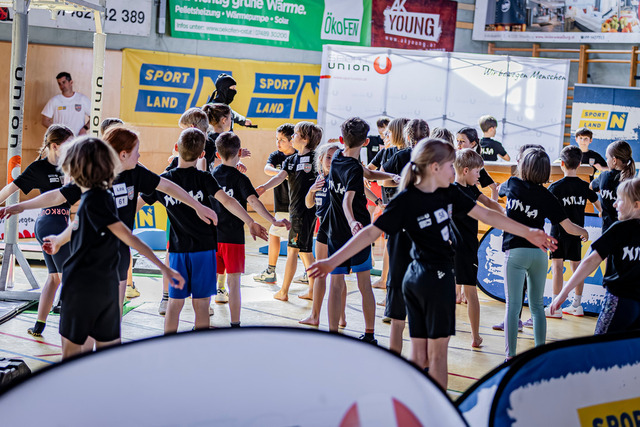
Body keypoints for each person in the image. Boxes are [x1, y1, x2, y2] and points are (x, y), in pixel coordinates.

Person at [308, 138, 556, 389]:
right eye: (450, 166)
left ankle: (425, 401)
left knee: (427, 355)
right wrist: (331, 261)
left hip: (432, 278)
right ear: (435, 167)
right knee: (431, 356)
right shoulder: (407, 200)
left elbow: (487, 214)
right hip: (425, 281)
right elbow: (371, 232)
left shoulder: (449, 193)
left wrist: (527, 232)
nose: (454, 172)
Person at [0, 127, 218, 320]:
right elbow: (59, 196)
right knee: (92, 316)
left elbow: (167, 186)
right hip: (95, 253)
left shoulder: (136, 173)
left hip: (120, 253)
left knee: (114, 317)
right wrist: (21, 206)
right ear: (123, 154)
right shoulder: (94, 176)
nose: (140, 155)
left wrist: (197, 206)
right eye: (136, 151)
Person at [41, 137, 184, 359]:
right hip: (103, 286)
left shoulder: (95, 200)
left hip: (83, 288)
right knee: (104, 352)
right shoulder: (100, 198)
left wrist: (163, 268)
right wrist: (59, 240)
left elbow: (128, 237)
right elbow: (81, 226)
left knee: (72, 356)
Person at [141, 128, 268, 333]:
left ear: (176, 149)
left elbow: (136, 204)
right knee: (201, 304)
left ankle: (168, 344)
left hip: (177, 252)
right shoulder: (204, 178)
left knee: (175, 304)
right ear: (202, 154)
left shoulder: (163, 181)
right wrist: (250, 221)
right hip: (203, 251)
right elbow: (228, 201)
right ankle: (199, 344)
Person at [499, 147, 588, 359]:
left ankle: (510, 356)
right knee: (538, 307)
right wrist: (583, 231)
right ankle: (539, 355)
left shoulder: (512, 184)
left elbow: (499, 193)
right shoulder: (547, 196)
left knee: (513, 307)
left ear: (523, 165)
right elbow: (568, 227)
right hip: (539, 254)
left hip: (515, 253)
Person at [0, 125, 74, 337]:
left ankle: (39, 326)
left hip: (58, 222)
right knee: (70, 276)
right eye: (68, 145)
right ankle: (73, 328)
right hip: (50, 224)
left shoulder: (70, 165)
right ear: (55, 146)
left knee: (54, 278)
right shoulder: (38, 168)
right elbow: (11, 188)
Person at [211, 131, 289, 326]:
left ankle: (202, 319)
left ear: (218, 154)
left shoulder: (210, 176)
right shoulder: (240, 179)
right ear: (239, 152)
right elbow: (253, 201)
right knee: (234, 283)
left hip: (211, 237)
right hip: (233, 239)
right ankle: (235, 324)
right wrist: (272, 220)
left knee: (209, 280)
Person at [550, 178, 640, 334]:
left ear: (636, 205)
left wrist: (564, 293)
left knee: (601, 343)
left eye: (619, 200)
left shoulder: (619, 229)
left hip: (618, 301)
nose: (614, 204)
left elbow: (590, 262)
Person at [256, 122, 322, 301]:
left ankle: (284, 291)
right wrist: (264, 187)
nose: (292, 137)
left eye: (296, 134)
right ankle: (313, 290)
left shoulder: (316, 159)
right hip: (294, 211)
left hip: (304, 212)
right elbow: (279, 177)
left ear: (305, 139)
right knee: (305, 252)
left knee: (293, 250)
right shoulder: (291, 160)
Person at [380, 118, 429, 353]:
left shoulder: (403, 156)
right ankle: (422, 362)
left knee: (399, 312)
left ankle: (398, 359)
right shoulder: (430, 158)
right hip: (420, 233)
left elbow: (381, 178)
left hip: (405, 230)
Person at [452, 149, 504, 348]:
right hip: (461, 248)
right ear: (465, 170)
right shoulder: (453, 191)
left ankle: (475, 336)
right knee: (470, 292)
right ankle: (474, 336)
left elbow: (489, 202)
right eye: (477, 172)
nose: (479, 176)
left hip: (465, 247)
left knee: (468, 291)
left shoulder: (471, 189)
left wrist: (505, 211)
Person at [545, 146, 600, 319]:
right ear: (579, 164)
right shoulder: (584, 186)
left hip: (558, 233)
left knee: (557, 267)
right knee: (577, 269)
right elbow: (599, 206)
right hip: (577, 233)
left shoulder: (555, 187)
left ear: (562, 163)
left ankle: (556, 306)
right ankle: (577, 305)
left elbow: (545, 210)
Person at [299, 142, 345, 327]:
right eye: (328, 157)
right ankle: (315, 315)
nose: (331, 161)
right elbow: (309, 204)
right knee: (320, 272)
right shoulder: (319, 179)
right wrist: (312, 190)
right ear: (320, 159)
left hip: (339, 230)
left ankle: (341, 316)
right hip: (323, 229)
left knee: (338, 275)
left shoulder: (340, 177)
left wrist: (378, 200)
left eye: (335, 158)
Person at [254, 123, 297, 285]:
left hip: (294, 205)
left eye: (282, 140)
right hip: (281, 204)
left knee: (293, 241)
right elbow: (267, 169)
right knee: (276, 235)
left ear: (292, 141)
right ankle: (271, 271)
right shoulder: (276, 156)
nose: (278, 143)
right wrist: (283, 174)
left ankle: (271, 271)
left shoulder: (299, 156)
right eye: (276, 139)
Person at [591, 140, 636, 233]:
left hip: (607, 230)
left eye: (607, 158)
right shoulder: (632, 181)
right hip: (627, 230)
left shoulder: (604, 177)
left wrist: (602, 191)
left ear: (614, 160)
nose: (606, 161)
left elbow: (591, 187)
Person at [456, 127, 499, 201]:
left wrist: (495, 205)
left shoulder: (476, 166)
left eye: (462, 141)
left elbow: (494, 188)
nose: (458, 144)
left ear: (472, 144)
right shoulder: (452, 159)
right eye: (457, 141)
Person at [41, 72, 90, 136]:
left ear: (71, 82)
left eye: (64, 82)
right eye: (59, 83)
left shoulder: (82, 99)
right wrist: (57, 131)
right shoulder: (54, 100)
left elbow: (94, 117)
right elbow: (44, 121)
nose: (62, 86)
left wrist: (84, 129)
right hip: (61, 139)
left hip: (78, 138)